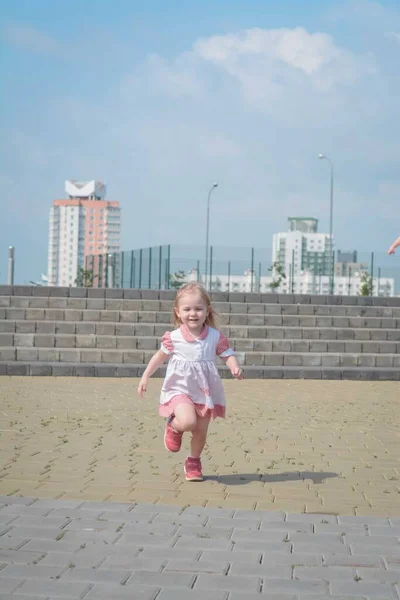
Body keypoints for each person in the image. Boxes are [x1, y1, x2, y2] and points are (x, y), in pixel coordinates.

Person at [138, 282, 243, 482]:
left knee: (200, 431)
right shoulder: (174, 337)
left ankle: (193, 461)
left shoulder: (215, 336)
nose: (193, 314)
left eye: (198, 309)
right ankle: (175, 427)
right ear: (178, 312)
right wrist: (145, 376)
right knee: (188, 421)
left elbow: (226, 354)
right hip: (180, 388)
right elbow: (159, 357)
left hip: (205, 391)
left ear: (207, 311)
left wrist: (234, 367)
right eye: (187, 309)